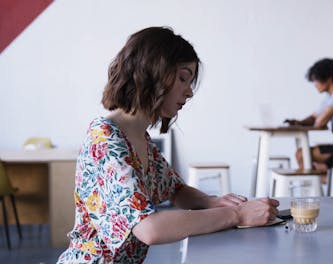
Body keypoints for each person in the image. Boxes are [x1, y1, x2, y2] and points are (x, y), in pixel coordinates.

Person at [57, 27, 279, 263]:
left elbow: (175, 190)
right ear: (152, 72)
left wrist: (210, 202)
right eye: (183, 78)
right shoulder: (105, 139)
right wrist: (236, 214)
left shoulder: (139, 137)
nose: (190, 92)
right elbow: (149, 228)